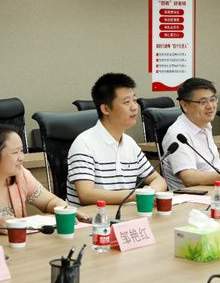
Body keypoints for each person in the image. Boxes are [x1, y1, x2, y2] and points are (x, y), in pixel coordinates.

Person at [67, 73, 167, 206]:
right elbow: (86, 195)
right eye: (126, 102)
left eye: (134, 100)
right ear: (105, 109)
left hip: (124, 215)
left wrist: (151, 191)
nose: (134, 107)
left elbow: (159, 180)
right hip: (92, 217)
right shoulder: (84, 143)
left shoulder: (130, 143)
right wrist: (135, 195)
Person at [161, 77, 220, 191]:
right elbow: (189, 178)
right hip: (191, 197)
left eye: (213, 99)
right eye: (203, 102)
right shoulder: (178, 134)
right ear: (184, 105)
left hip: (217, 191)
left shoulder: (205, 125)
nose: (210, 106)